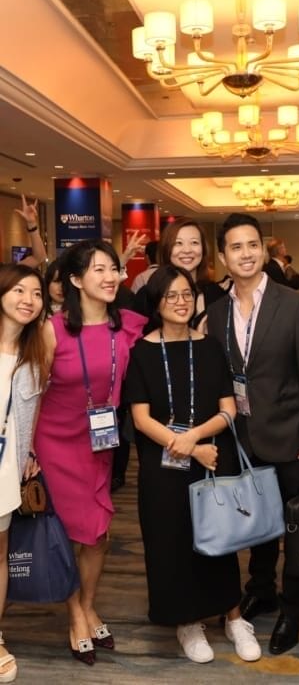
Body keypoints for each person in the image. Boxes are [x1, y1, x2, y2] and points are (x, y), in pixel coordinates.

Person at [207, 213, 299, 656]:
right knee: (256, 523)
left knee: (296, 525)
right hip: (241, 438)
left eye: (253, 245)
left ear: (264, 250)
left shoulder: (293, 303)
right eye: (236, 247)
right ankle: (261, 588)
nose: (246, 254)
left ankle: (293, 607)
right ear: (224, 257)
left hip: (292, 435)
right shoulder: (217, 312)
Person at [124, 265, 260, 664]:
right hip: (162, 466)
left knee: (219, 541)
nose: (181, 302)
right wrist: (185, 445)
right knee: (172, 542)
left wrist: (195, 439)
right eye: (172, 296)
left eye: (187, 294)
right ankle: (187, 622)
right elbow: (141, 418)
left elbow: (229, 410)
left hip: (211, 459)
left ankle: (233, 617)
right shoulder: (143, 352)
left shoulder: (211, 347)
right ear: (157, 302)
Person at [33, 240, 146, 665]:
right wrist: (29, 451)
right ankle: (75, 612)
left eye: (113, 268)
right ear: (77, 281)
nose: (109, 276)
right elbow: (33, 394)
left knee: (98, 534)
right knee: (66, 533)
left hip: (100, 443)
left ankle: (89, 603)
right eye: (98, 270)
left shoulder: (130, 324)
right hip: (55, 442)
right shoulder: (53, 329)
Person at [0, 265, 48, 684]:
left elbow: (28, 414)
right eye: (18, 290)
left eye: (35, 293)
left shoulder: (34, 357)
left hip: (5, 471)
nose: (27, 300)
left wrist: (29, 449)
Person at [134, 220, 225, 330]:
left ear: (203, 249)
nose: (187, 250)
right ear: (166, 249)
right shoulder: (147, 295)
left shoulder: (217, 295)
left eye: (194, 242)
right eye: (178, 243)